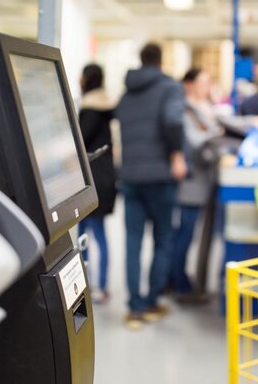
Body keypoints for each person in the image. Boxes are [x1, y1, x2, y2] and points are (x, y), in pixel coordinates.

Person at [115, 43, 187, 329]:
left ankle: (135, 308)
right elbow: (172, 121)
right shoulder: (169, 88)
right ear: (161, 61)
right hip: (159, 174)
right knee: (163, 238)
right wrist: (177, 155)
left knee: (132, 240)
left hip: (131, 174)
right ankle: (153, 300)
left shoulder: (126, 94)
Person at [172, 68, 222, 302]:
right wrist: (217, 133)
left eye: (208, 82)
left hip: (208, 181)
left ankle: (190, 282)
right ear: (188, 84)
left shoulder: (207, 108)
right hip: (191, 182)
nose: (206, 87)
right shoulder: (184, 110)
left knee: (196, 235)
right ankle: (179, 284)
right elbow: (194, 142)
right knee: (185, 235)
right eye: (202, 82)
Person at [77, 63, 117, 304]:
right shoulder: (108, 107)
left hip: (89, 180)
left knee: (85, 235)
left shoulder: (90, 109)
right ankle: (101, 286)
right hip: (106, 178)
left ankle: (88, 285)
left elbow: (79, 142)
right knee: (100, 234)